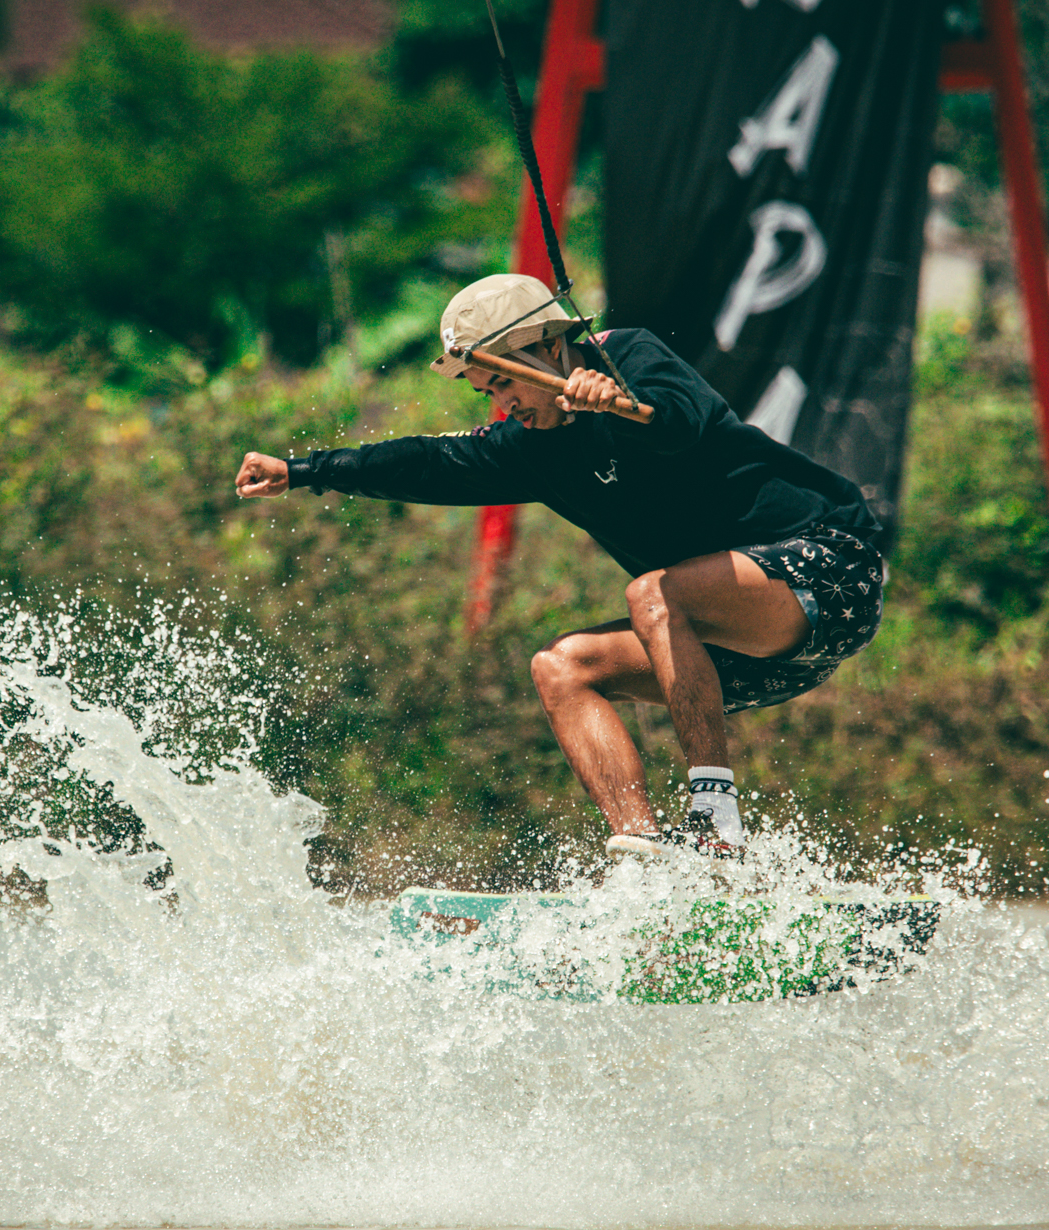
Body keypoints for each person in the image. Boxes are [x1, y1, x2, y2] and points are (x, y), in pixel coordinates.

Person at [233, 273, 884, 862]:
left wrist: (612, 402)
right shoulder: (530, 448)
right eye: (487, 391)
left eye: (506, 383)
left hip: (829, 571)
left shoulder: (628, 357)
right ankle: (646, 858)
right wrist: (303, 471)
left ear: (549, 348)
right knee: (562, 667)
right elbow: (423, 462)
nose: (504, 404)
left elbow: (680, 423)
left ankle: (716, 819)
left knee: (655, 594)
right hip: (748, 656)